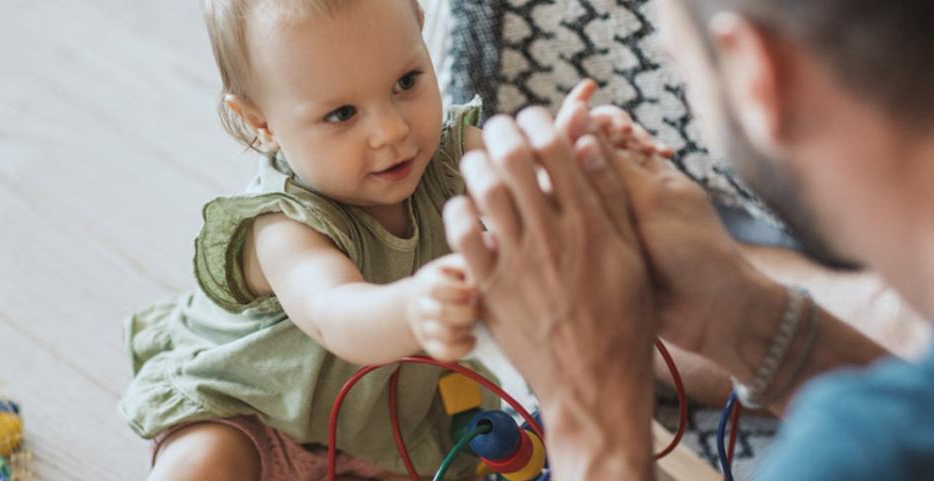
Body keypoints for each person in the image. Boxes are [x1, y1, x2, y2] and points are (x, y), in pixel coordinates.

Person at [443, 0, 934, 479]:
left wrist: (589, 416)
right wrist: (746, 320)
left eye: (679, 65)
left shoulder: (853, 452)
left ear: (754, 72)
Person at [119, 1, 503, 479]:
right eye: (342, 113)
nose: (392, 131)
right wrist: (414, 305)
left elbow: (529, 179)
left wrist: (589, 160)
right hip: (256, 414)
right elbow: (334, 314)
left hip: (386, 425)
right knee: (201, 463)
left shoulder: (449, 156)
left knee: (472, 451)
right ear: (262, 125)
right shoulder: (284, 226)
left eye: (406, 82)